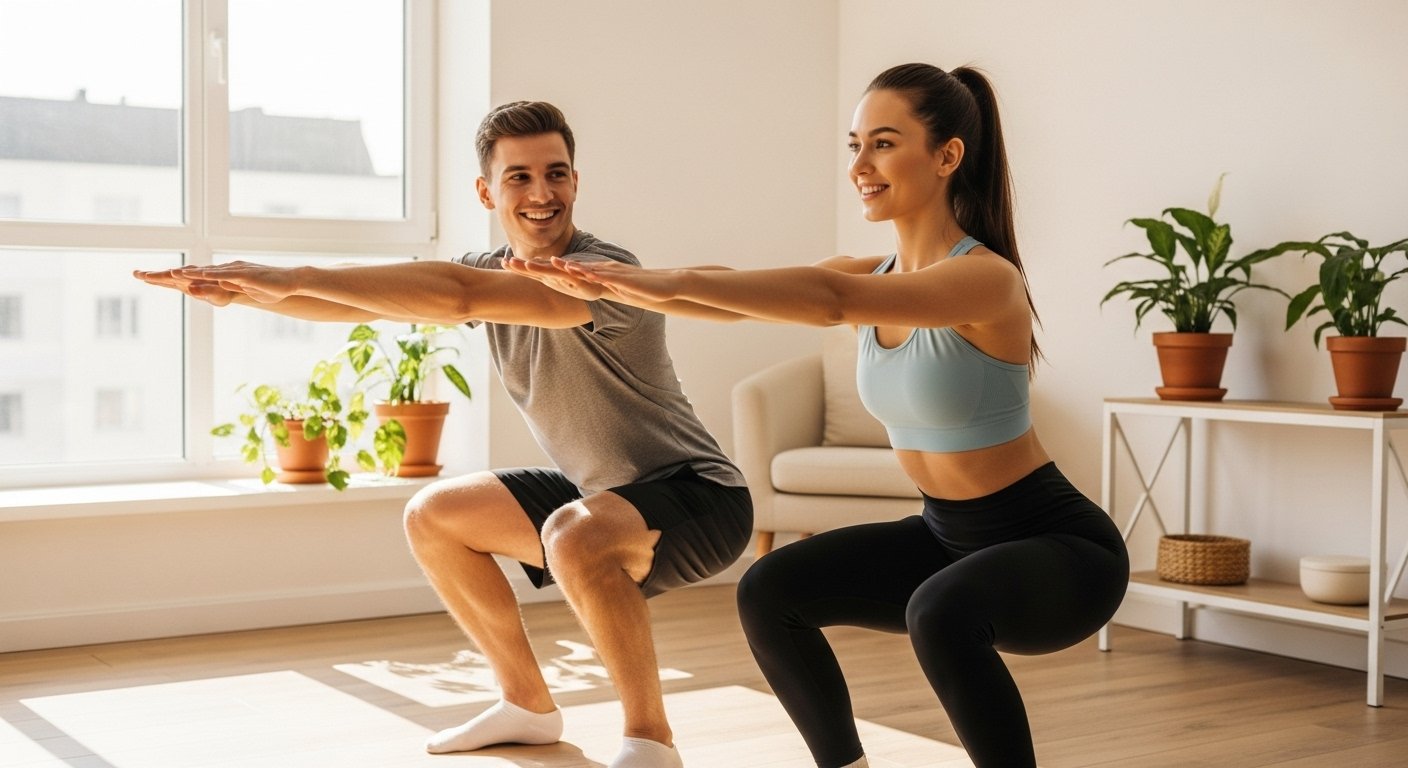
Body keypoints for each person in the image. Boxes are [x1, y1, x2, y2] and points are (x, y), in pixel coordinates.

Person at [509, 64, 1130, 768]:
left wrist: (644, 281)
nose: (860, 166)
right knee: (771, 589)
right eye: (853, 145)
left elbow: (827, 300)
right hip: (948, 536)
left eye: (883, 144)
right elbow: (733, 295)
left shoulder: (985, 279)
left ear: (947, 155)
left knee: (940, 612)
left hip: (1059, 549)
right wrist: (621, 284)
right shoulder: (875, 275)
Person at [133, 100, 752, 768]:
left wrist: (291, 277)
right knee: (434, 515)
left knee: (574, 532)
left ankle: (649, 742)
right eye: (519, 177)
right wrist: (252, 293)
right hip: (600, 493)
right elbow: (366, 302)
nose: (542, 193)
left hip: (700, 497)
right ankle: (526, 706)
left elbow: (459, 295)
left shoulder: (601, 273)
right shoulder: (492, 267)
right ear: (487, 191)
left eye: (557, 173)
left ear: (576, 180)